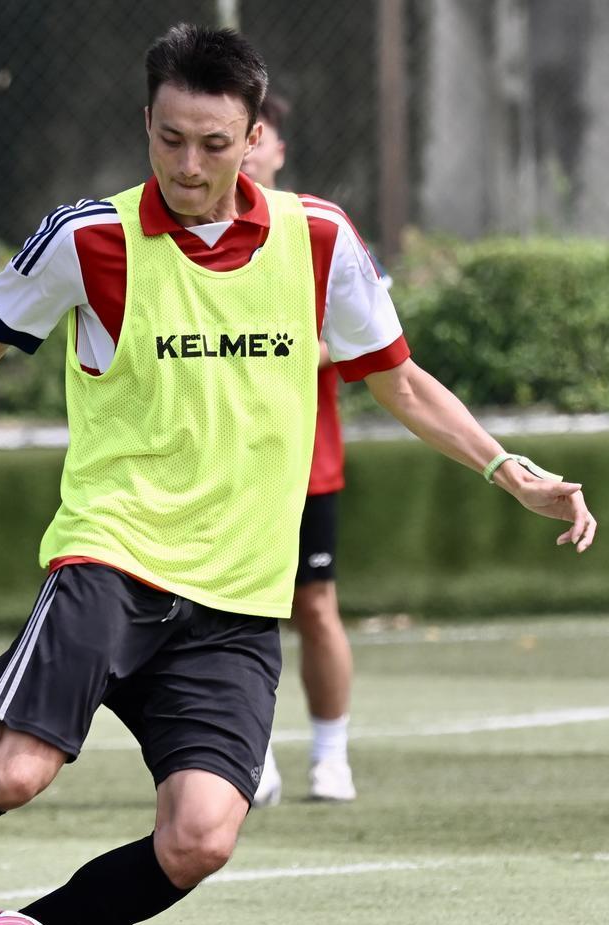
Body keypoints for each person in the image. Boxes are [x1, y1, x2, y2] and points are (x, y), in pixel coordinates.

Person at [0, 21, 595, 925]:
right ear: (145, 126)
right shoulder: (90, 240)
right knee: (11, 773)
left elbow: (399, 380)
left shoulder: (319, 239)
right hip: (111, 561)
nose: (189, 166)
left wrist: (506, 468)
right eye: (170, 139)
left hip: (237, 596)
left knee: (200, 836)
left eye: (214, 143)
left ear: (255, 139)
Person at [239, 92, 370, 805]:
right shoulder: (186, 240)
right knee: (226, 610)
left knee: (314, 605)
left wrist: (274, 348)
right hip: (219, 463)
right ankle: (245, 754)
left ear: (276, 149)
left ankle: (331, 755)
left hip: (304, 461)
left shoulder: (317, 232)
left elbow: (364, 344)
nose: (245, 149)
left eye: (256, 136)